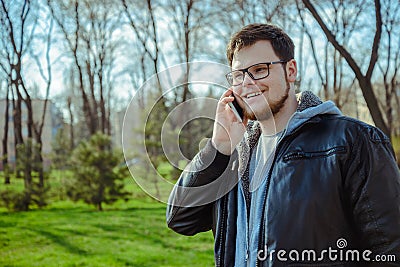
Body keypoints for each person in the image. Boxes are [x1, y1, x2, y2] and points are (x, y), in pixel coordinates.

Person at [166, 23, 400, 266]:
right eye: (238, 75)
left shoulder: (354, 141)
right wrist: (219, 146)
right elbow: (181, 219)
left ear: (290, 70)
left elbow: (390, 249)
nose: (247, 83)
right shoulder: (231, 156)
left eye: (259, 70)